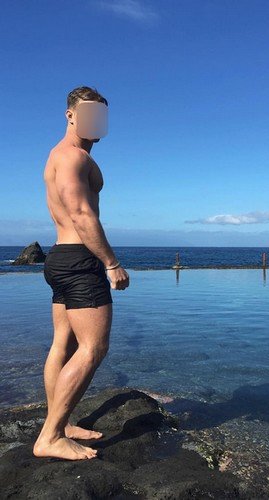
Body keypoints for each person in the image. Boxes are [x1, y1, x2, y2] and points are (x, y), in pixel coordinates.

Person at [33, 86, 130, 460]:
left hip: (60, 257)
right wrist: (111, 263)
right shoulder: (73, 157)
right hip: (79, 261)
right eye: (88, 113)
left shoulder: (56, 156)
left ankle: (61, 421)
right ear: (70, 115)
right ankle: (51, 436)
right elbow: (81, 213)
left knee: (64, 343)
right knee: (93, 348)